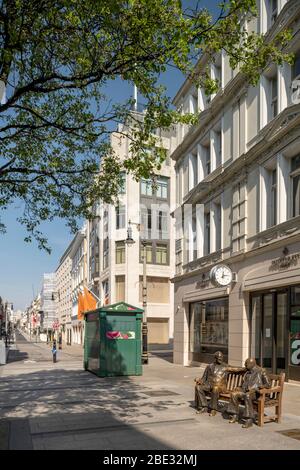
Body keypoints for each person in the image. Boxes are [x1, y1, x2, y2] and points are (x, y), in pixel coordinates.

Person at [227, 358, 271, 428]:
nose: (245, 365)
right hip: (246, 391)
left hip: (257, 393)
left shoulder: (262, 371)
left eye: (246, 363)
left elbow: (268, 385)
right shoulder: (247, 372)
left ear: (252, 364)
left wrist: (256, 387)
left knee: (247, 396)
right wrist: (239, 387)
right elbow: (244, 383)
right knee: (234, 394)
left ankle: (249, 419)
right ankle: (235, 415)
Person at [195, 351, 241, 416]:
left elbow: (236, 369)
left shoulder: (225, 366)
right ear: (215, 358)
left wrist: (246, 368)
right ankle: (204, 406)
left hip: (220, 387)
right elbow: (204, 378)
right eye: (219, 358)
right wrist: (200, 380)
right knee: (198, 387)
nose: (221, 359)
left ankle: (213, 409)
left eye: (221, 357)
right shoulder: (209, 366)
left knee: (215, 388)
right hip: (209, 385)